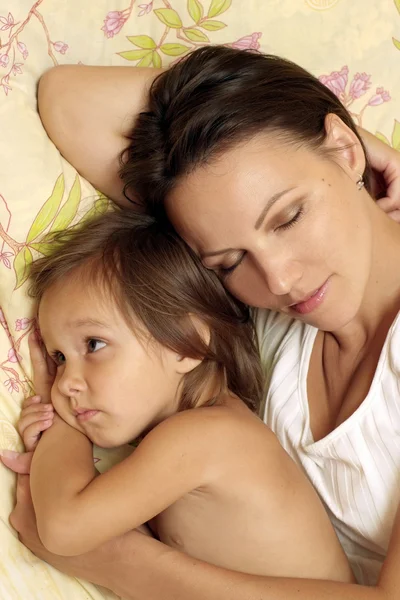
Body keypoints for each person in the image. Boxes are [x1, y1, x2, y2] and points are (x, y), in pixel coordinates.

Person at [4, 46, 400, 599]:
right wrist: (322, 134)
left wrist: (118, 561)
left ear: (343, 150)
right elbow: (68, 102)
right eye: (229, 261)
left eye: (289, 216)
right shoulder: (255, 313)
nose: (280, 279)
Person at [9, 208, 353, 582]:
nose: (65, 383)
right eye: (58, 358)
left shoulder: (205, 436)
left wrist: (63, 428)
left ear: (185, 344)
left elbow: (64, 529)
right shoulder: (194, 434)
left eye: (93, 344)